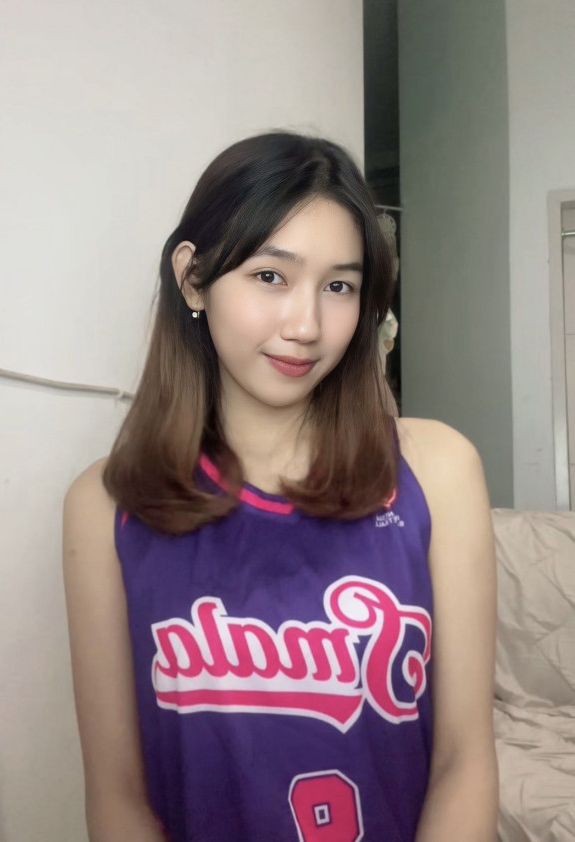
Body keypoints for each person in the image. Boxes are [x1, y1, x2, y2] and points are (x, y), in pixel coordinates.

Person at [62, 131, 499, 842]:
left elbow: (464, 761)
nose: (306, 325)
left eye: (339, 286)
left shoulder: (438, 470)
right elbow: (118, 797)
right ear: (193, 278)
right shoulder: (104, 507)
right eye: (271, 276)